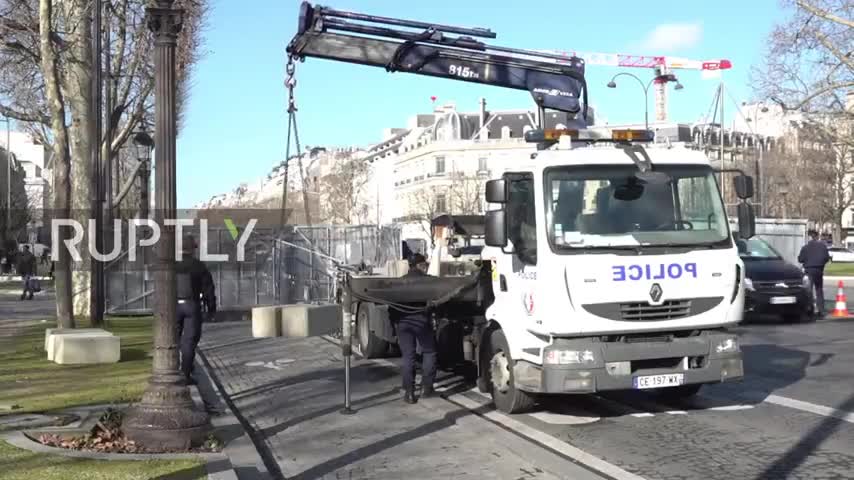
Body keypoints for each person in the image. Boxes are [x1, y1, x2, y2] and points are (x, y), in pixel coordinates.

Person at [393, 253, 437, 404]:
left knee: (408, 357)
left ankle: (409, 393)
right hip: (421, 321)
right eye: (424, 265)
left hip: (403, 323)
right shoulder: (428, 280)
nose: (426, 267)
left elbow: (391, 306)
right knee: (429, 351)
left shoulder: (400, 282)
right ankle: (427, 388)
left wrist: (396, 321)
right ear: (420, 265)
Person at [175, 235, 216, 385]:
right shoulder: (199, 266)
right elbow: (208, 290)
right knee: (190, 341)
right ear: (193, 249)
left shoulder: (172, 265)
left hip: (173, 306)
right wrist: (211, 309)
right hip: (192, 305)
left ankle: (174, 368)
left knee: (174, 339)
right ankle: (185, 373)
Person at [798, 229, 830, 316]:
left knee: (809, 291)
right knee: (819, 290)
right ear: (817, 236)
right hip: (819, 270)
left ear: (809, 237)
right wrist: (821, 264)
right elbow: (826, 258)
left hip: (809, 270)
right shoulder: (823, 246)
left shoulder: (805, 247)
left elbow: (800, 259)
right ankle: (821, 310)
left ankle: (809, 310)